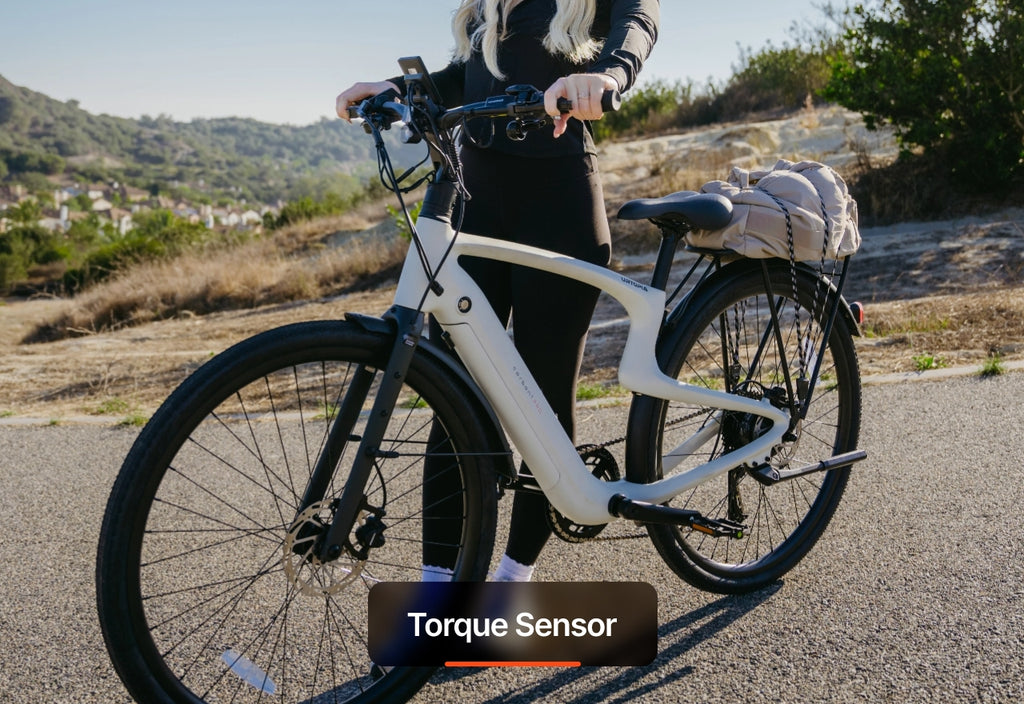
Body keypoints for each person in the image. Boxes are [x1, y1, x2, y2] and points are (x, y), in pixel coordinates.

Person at [337, 0, 659, 583]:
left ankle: (515, 581)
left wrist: (609, 76)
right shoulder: (491, 7)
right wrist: (394, 87)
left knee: (541, 403)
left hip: (558, 204)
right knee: (454, 398)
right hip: (475, 203)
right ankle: (439, 588)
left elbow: (639, 17)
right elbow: (469, 76)